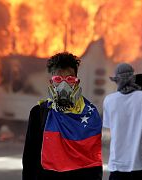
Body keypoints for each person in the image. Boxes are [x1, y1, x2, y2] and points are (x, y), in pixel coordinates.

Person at [22, 52, 103, 180]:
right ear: (51, 82)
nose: (63, 85)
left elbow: (93, 164)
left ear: (77, 82)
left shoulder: (90, 114)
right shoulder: (39, 113)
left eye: (70, 79)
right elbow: (29, 159)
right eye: (58, 79)